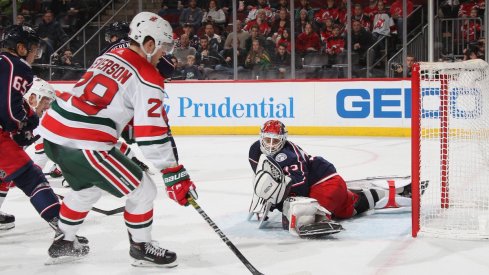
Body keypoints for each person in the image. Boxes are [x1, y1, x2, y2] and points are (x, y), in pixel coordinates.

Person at [38, 12, 197, 266]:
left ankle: (65, 241)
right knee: (144, 190)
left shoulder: (111, 54)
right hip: (86, 143)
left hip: (54, 134)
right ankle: (141, 248)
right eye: (163, 47)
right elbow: (151, 135)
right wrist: (173, 172)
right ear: (149, 43)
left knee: (86, 189)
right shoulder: (149, 77)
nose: (164, 55)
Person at [248, 120, 412, 237]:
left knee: (301, 219)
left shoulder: (290, 155)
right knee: (349, 207)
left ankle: (393, 194)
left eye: (275, 140)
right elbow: (265, 178)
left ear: (283, 139)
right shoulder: (255, 150)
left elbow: (301, 189)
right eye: (267, 139)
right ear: (261, 136)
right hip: (328, 182)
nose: (270, 144)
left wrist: (276, 202)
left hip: (325, 184)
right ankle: (392, 194)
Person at [0, 25, 64, 232]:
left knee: (4, 171)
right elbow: (9, 109)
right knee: (30, 176)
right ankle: (65, 233)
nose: (36, 54)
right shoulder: (15, 65)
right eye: (34, 48)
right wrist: (22, 125)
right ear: (20, 48)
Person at [0, 77, 59, 229]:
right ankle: (64, 230)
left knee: (6, 175)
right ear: (33, 97)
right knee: (30, 177)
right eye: (45, 102)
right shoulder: (17, 108)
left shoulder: (17, 105)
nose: (46, 107)